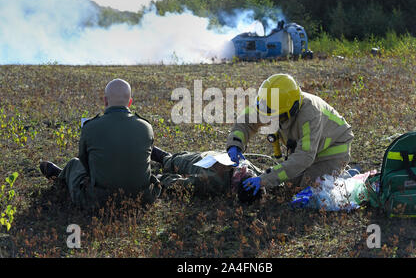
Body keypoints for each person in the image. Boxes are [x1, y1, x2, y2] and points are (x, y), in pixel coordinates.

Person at [39, 79, 160, 209]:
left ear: (105, 101)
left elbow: (84, 161)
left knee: (75, 164)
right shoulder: (146, 127)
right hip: (142, 199)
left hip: (100, 201)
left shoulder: (90, 126)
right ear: (130, 101)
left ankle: (62, 179)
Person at [226, 74, 354, 196]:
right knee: (290, 186)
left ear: (290, 111)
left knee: (309, 190)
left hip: (333, 149)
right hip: (308, 149)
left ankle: (345, 176)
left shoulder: (310, 115)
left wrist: (264, 179)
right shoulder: (270, 104)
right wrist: (235, 144)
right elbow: (246, 121)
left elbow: (304, 157)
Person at [150, 146, 263, 203]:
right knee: (171, 160)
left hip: (197, 164)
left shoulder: (215, 182)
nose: (246, 170)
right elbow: (273, 178)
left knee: (173, 161)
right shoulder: (252, 173)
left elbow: (184, 184)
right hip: (209, 157)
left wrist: (157, 179)